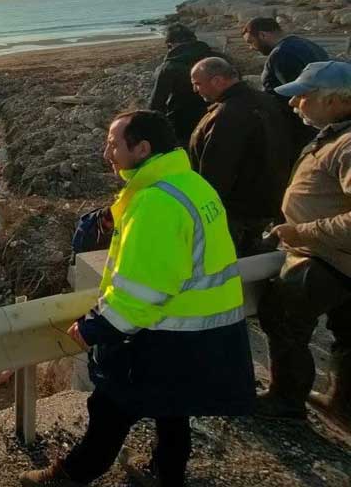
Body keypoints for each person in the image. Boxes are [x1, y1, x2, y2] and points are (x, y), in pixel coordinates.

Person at [19, 111, 254, 487]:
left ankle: (69, 476)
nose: (105, 152)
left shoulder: (155, 204)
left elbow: (144, 288)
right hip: (204, 326)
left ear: (142, 148)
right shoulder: (189, 183)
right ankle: (167, 474)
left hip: (168, 330)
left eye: (113, 143)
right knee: (172, 408)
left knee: (111, 404)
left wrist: (97, 326)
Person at [256, 61, 351, 431]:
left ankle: (285, 400)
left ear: (334, 100)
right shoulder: (336, 133)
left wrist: (304, 232)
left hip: (326, 257)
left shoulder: (346, 143)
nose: (295, 104)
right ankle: (342, 403)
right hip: (333, 256)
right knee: (346, 331)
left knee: (280, 315)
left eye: (302, 96)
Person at [188, 57, 294, 255]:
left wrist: (204, 208)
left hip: (238, 209)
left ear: (218, 81)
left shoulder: (227, 115)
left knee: (234, 261)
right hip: (268, 199)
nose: (195, 90)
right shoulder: (265, 101)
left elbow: (217, 170)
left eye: (198, 84)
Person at [242, 17, 329, 150]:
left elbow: (298, 95)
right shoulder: (307, 44)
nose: (251, 47)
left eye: (251, 42)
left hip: (300, 128)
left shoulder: (281, 54)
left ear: (262, 35)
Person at [148, 23, 220, 145]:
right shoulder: (220, 59)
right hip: (218, 120)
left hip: (182, 128)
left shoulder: (168, 68)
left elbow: (156, 105)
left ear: (170, 45)